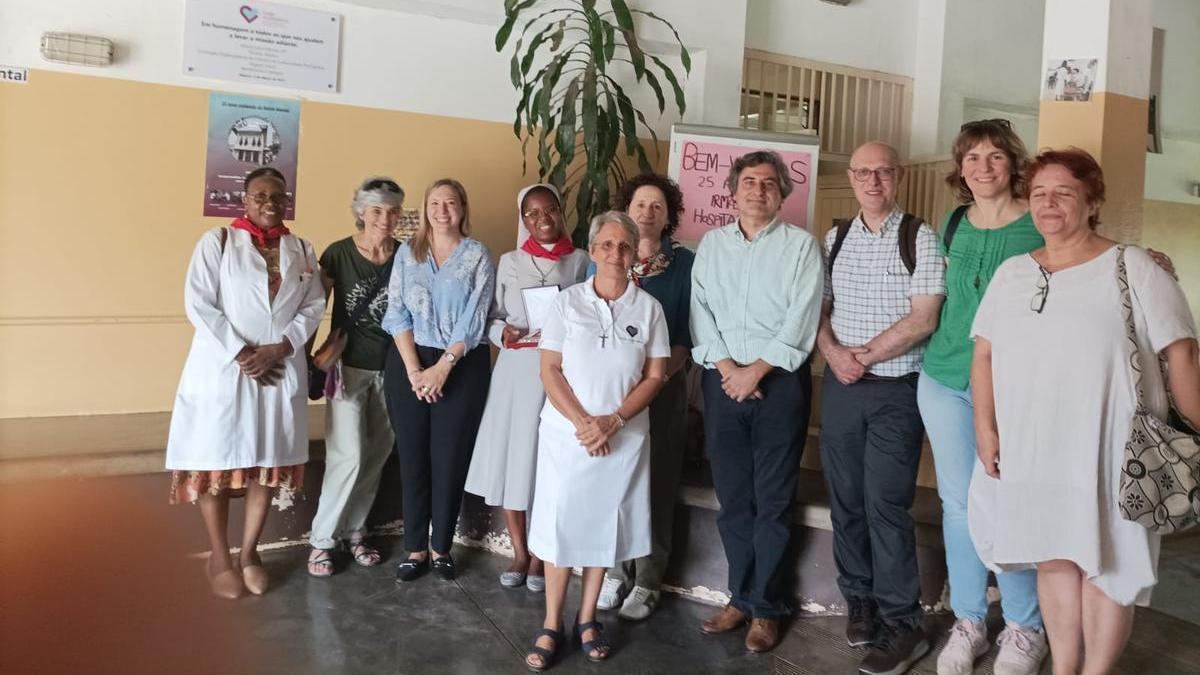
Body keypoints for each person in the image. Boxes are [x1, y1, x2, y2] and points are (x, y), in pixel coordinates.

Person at [969, 148, 1200, 674]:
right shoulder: (1012, 275)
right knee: (1053, 557)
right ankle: (1064, 667)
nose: (1049, 203)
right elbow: (984, 352)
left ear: (1092, 202)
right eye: (1040, 193)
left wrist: (1197, 431)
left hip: (1113, 447)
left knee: (1109, 566)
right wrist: (985, 427)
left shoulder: (1133, 267)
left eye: (1064, 193)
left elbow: (1181, 351)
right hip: (1035, 447)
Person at [917, 119, 1049, 675]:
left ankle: (1024, 628)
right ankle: (969, 620)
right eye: (972, 158)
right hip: (945, 379)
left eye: (995, 156)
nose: (984, 167)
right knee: (958, 505)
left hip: (1015, 388)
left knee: (1009, 500)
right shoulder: (951, 223)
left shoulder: (1038, 223)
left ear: (1013, 164)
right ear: (960, 168)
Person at [166, 166, 326, 599]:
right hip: (224, 369)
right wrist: (241, 352)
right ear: (245, 200)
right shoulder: (216, 242)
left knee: (267, 463)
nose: (269, 203)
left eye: (277, 196)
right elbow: (198, 303)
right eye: (260, 195)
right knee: (215, 458)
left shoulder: (303, 249)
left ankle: (250, 552)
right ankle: (220, 554)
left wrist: (280, 348)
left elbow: (313, 307)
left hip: (277, 369)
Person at [816, 141, 944, 674]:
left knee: (885, 504)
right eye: (864, 172)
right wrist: (833, 354)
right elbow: (818, 308)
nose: (873, 181)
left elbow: (924, 318)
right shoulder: (835, 236)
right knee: (844, 500)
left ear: (898, 176)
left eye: (883, 172)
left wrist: (860, 357)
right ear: (851, 177)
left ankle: (902, 622)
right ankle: (860, 600)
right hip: (841, 386)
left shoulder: (920, 236)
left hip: (896, 390)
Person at [523, 212, 669, 671]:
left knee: (601, 530)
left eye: (623, 246)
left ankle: (587, 620)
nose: (615, 254)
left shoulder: (649, 309)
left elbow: (656, 375)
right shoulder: (567, 304)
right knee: (561, 527)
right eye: (606, 245)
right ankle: (551, 623)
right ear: (593, 249)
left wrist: (614, 421)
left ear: (634, 253)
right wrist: (587, 423)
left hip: (623, 438)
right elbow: (549, 370)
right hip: (567, 437)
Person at [690, 150, 824, 653]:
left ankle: (767, 608)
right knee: (733, 502)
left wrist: (756, 372)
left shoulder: (800, 247)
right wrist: (729, 370)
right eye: (749, 182)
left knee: (772, 502)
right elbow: (700, 314)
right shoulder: (712, 246)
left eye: (769, 183)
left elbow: (801, 319)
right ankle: (739, 598)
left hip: (779, 385)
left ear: (782, 193)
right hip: (723, 385)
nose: (758, 190)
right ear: (733, 189)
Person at [464, 183, 589, 593]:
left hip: (560, 372)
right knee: (513, 460)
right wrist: (506, 333)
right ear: (524, 220)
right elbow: (491, 318)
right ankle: (519, 551)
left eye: (550, 209)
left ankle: (541, 553)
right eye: (533, 213)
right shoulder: (509, 261)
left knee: (547, 463)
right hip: (516, 371)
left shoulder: (582, 261)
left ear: (560, 212)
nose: (543, 218)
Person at [382, 178, 495, 583]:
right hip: (409, 360)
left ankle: (441, 547)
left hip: (461, 364)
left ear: (463, 208)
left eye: (450, 203)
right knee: (412, 456)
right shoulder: (407, 254)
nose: (442, 210)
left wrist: (443, 367)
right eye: (434, 202)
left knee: (449, 456)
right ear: (425, 208)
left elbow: (475, 318)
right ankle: (415, 547)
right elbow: (396, 312)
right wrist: (415, 370)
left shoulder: (478, 255)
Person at [593, 173, 695, 621]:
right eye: (640, 204)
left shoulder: (685, 264)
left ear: (669, 214)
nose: (648, 212)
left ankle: (649, 580)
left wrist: (655, 378)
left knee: (657, 484)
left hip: (664, 390)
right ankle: (616, 571)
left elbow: (687, 333)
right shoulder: (612, 260)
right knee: (616, 479)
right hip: (611, 394)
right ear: (626, 208)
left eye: (658, 206)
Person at [306, 177, 404, 577]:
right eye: (377, 210)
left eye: (393, 210)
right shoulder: (338, 254)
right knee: (348, 455)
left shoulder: (406, 255)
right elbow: (312, 307)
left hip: (394, 369)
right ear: (361, 212)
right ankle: (322, 540)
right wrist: (311, 360)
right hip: (348, 370)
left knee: (377, 455)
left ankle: (355, 531)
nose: (385, 218)